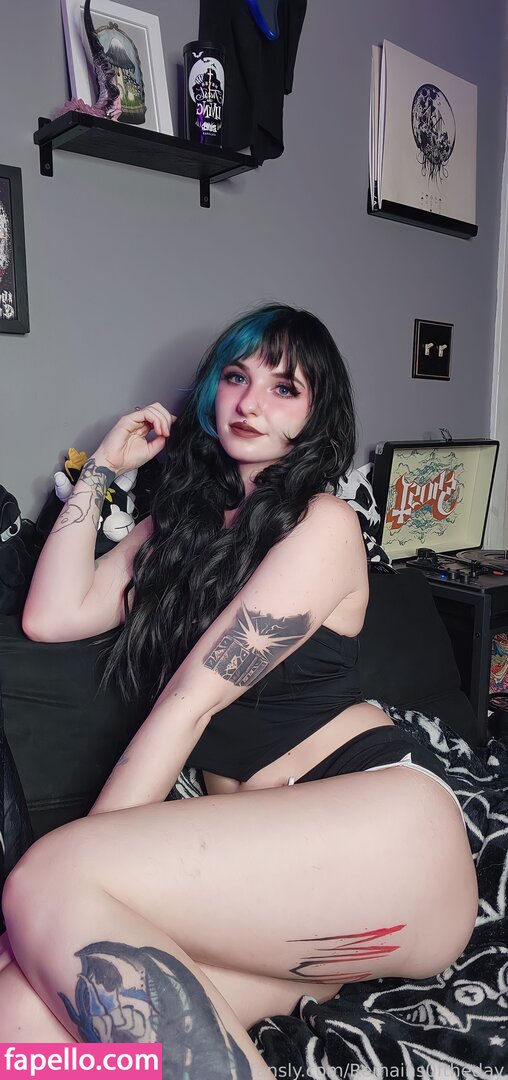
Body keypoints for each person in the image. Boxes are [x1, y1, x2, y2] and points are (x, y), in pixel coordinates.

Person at [1, 304, 477, 1078]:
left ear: (316, 415)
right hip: (284, 900)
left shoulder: (322, 524)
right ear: (210, 392)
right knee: (18, 1025)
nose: (251, 402)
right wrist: (102, 470)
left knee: (43, 882)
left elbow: (188, 703)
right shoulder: (178, 529)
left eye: (284, 388)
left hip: (387, 838)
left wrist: (67, 879)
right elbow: (50, 616)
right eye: (235, 377)